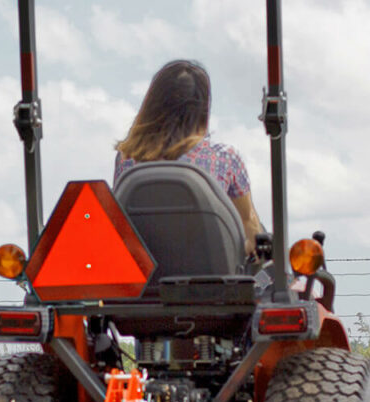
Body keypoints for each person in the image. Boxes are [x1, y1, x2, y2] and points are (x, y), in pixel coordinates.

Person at [113, 59, 264, 257]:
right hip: (213, 282)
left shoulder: (126, 158)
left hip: (147, 281)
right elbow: (250, 226)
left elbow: (120, 223)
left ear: (152, 104)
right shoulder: (225, 158)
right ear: (202, 109)